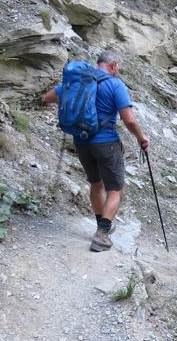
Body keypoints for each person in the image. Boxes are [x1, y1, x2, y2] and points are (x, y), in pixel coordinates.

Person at [43, 51, 149, 252]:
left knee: (96, 183)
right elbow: (129, 120)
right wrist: (141, 139)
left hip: (81, 142)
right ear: (114, 65)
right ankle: (102, 234)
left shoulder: (81, 81)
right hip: (106, 143)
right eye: (118, 68)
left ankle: (102, 225)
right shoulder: (115, 84)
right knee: (115, 190)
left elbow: (48, 97)